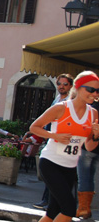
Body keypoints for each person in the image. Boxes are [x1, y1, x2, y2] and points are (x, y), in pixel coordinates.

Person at [18, 71, 99, 222]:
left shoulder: (93, 114)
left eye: (97, 91)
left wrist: (96, 136)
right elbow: (34, 127)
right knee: (70, 208)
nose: (94, 93)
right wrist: (54, 135)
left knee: (53, 212)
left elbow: (88, 147)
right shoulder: (61, 108)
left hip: (70, 167)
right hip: (50, 163)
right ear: (78, 88)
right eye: (90, 89)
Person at [34, 73, 74, 210]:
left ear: (71, 86)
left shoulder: (70, 101)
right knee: (50, 173)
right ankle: (47, 201)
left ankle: (53, 203)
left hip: (62, 141)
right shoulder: (57, 98)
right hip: (51, 138)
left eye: (65, 84)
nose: (61, 86)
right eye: (59, 84)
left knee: (57, 175)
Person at [76, 98, 99, 219]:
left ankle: (84, 208)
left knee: (85, 178)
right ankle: (85, 208)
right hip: (92, 147)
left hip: (88, 146)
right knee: (89, 178)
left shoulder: (92, 108)